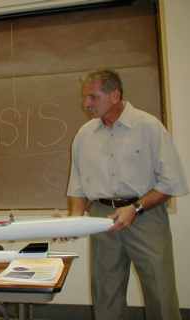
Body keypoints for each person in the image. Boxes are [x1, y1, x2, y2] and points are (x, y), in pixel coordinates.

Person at [67, 69, 188, 320]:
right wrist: (75, 220)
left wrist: (136, 208)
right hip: (102, 218)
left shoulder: (148, 126)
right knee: (105, 291)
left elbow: (171, 181)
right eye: (85, 98)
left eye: (92, 97)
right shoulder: (84, 135)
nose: (85, 104)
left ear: (115, 95)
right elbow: (78, 185)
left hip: (146, 215)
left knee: (160, 289)